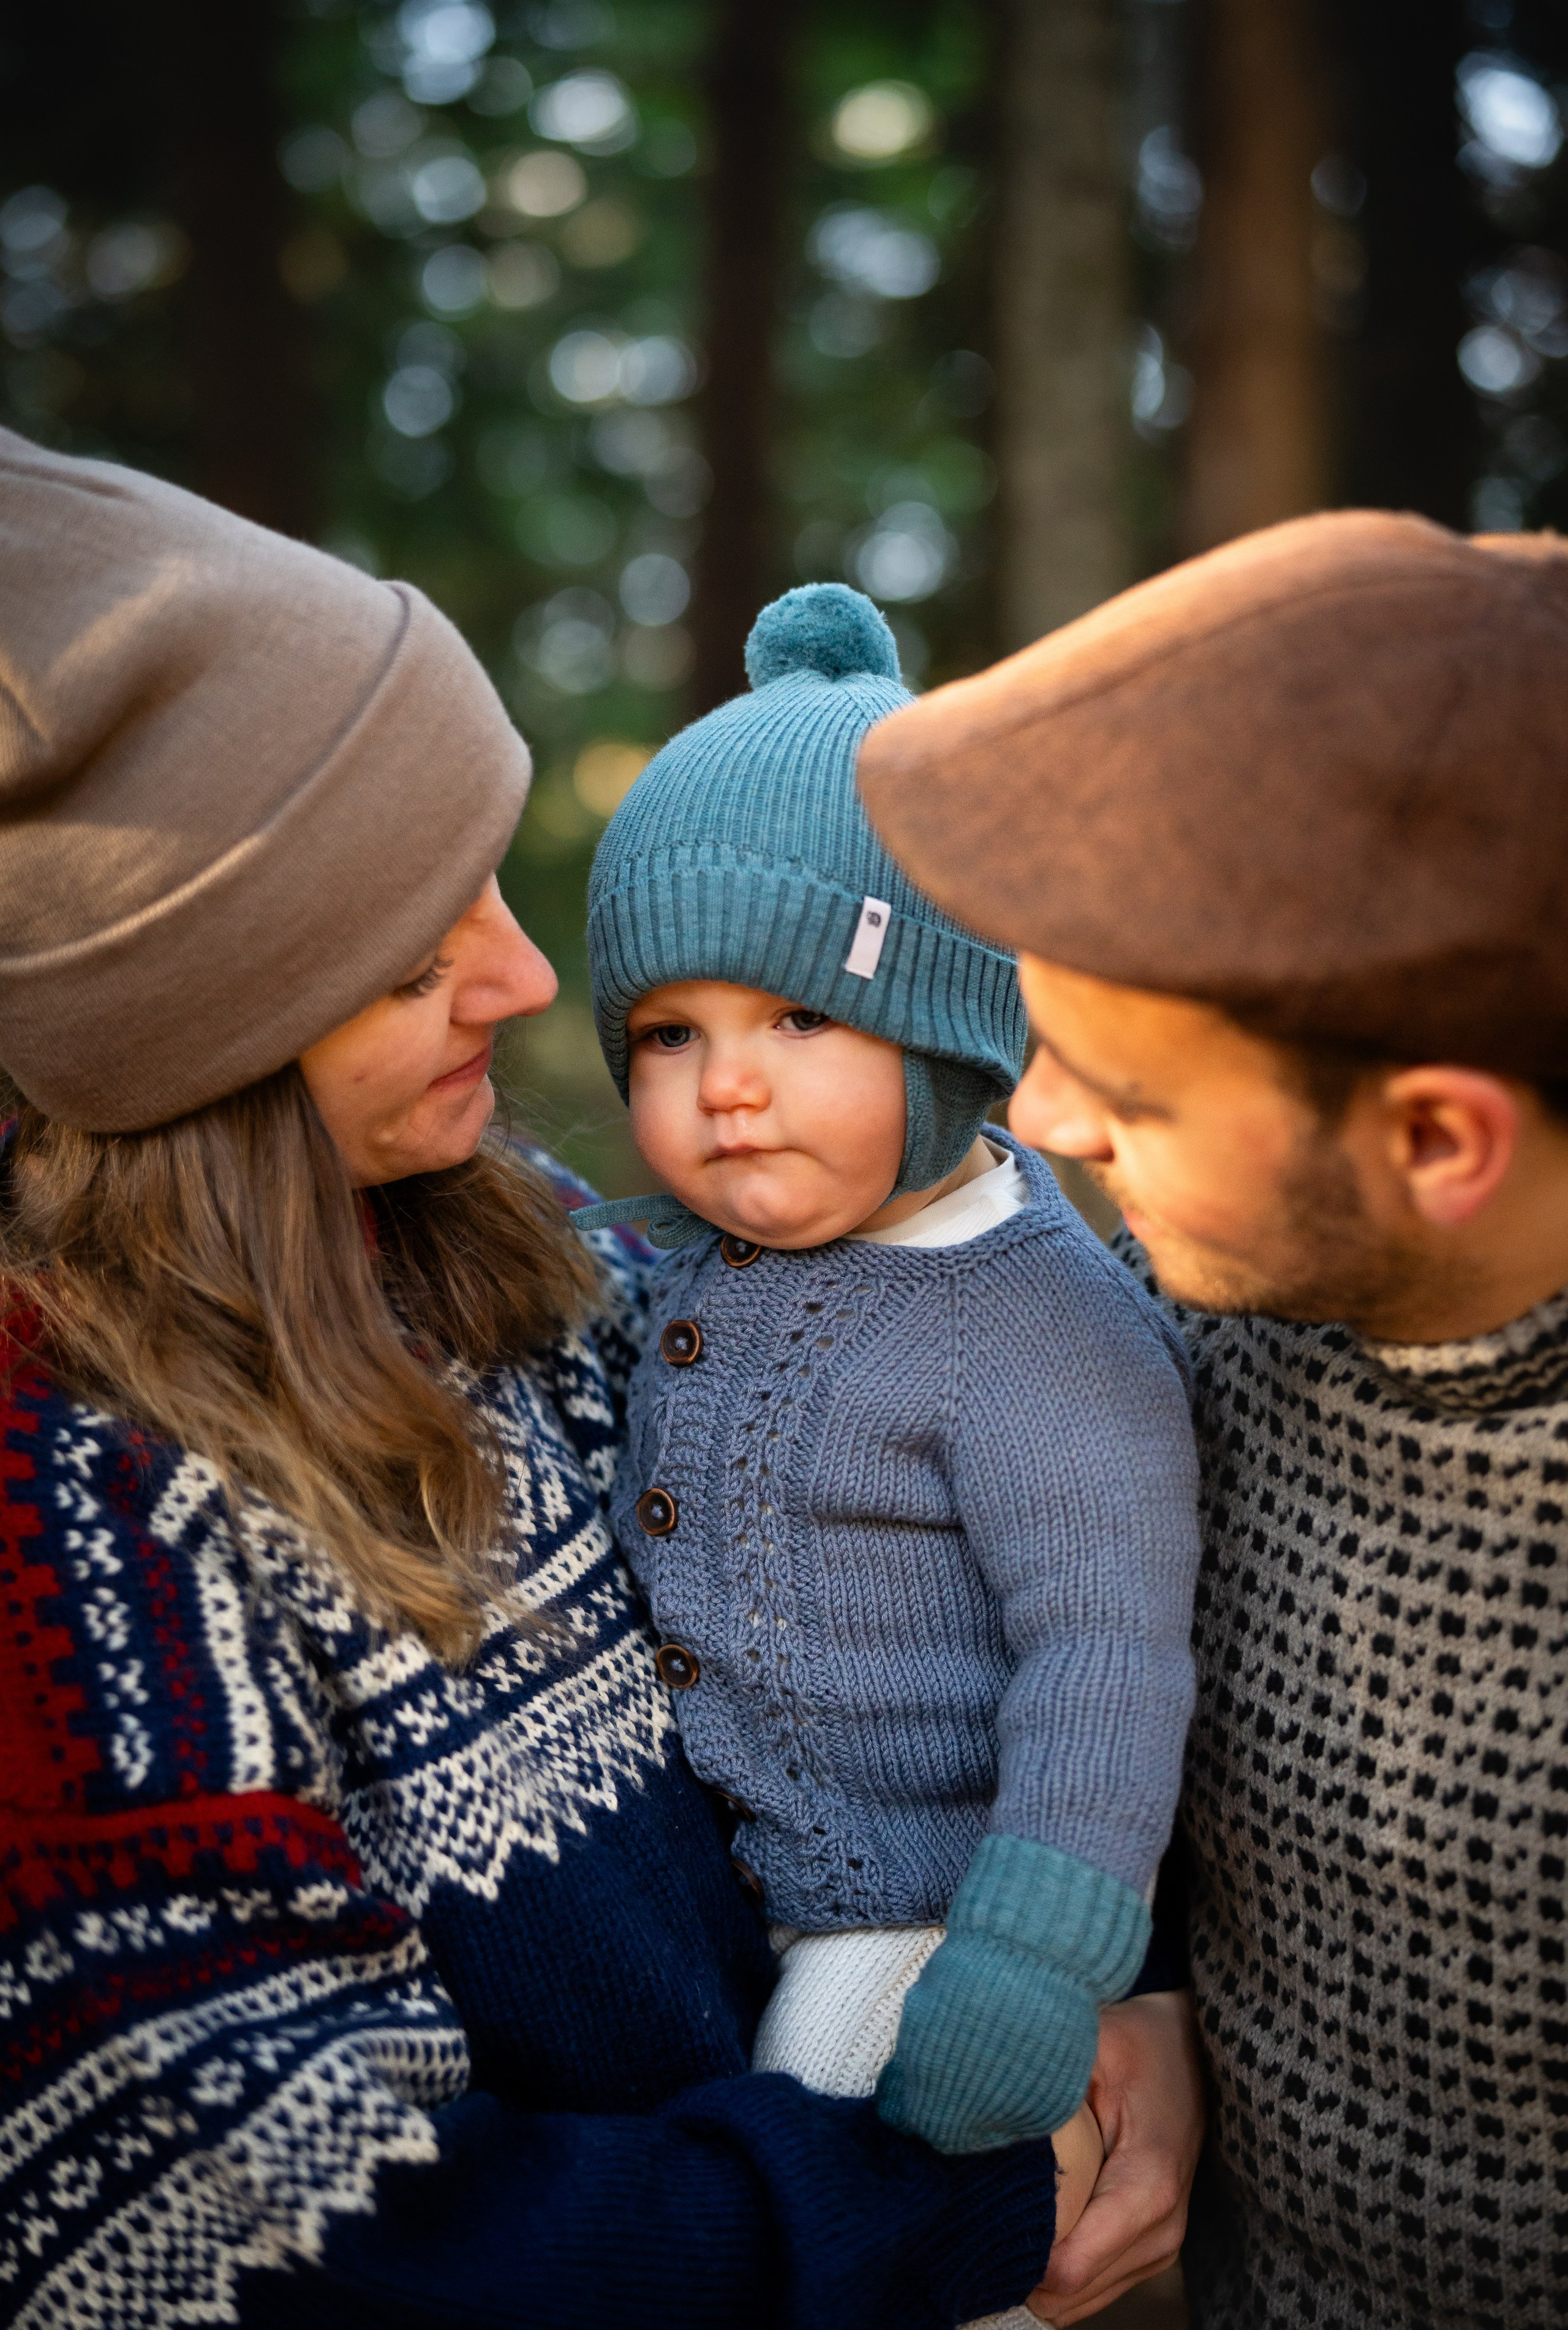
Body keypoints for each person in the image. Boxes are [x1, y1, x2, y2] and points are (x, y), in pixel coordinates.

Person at [0, 428, 1066, 2330]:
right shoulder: (69, 1506)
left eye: (486, 882)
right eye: (410, 955)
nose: (514, 977)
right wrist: (949, 2215)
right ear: (201, 1023)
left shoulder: (512, 1239)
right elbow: (287, 2257)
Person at [856, 507, 1568, 2329]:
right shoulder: (1199, 1317)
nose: (1050, 1124)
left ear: (1435, 1139)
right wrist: (1156, 1981)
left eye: (1134, 1091)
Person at [567, 583, 1203, 2232]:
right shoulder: (690, 1253)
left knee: (844, 2225)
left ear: (946, 1039)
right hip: (737, 1897)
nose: (726, 1085)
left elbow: (1109, 1663)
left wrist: (1029, 1965)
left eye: (801, 1016)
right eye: (668, 1031)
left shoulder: (1041, 1326)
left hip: (918, 1924)